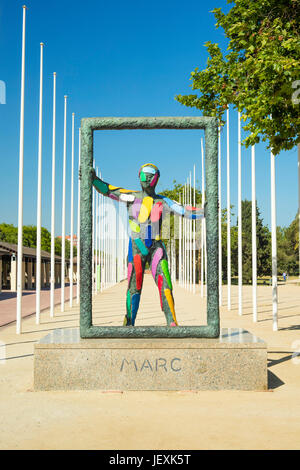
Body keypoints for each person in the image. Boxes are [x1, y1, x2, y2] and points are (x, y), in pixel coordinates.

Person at [91, 163, 205, 327]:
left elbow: (185, 211)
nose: (148, 178)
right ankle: (129, 322)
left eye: (152, 175)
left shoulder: (164, 201)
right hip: (136, 248)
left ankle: (172, 322)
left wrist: (204, 212)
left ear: (158, 178)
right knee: (133, 287)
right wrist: (93, 179)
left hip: (156, 248)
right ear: (139, 177)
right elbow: (108, 190)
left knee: (165, 284)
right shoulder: (131, 196)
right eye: (145, 175)